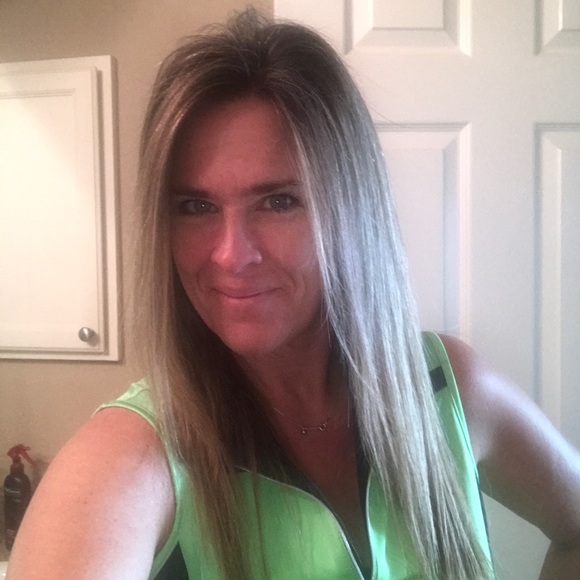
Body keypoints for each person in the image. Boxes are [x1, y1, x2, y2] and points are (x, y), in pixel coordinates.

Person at [7, 8, 580, 579]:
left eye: (279, 201)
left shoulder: (446, 388)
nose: (231, 255)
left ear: (352, 211)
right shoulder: (133, 454)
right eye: (197, 206)